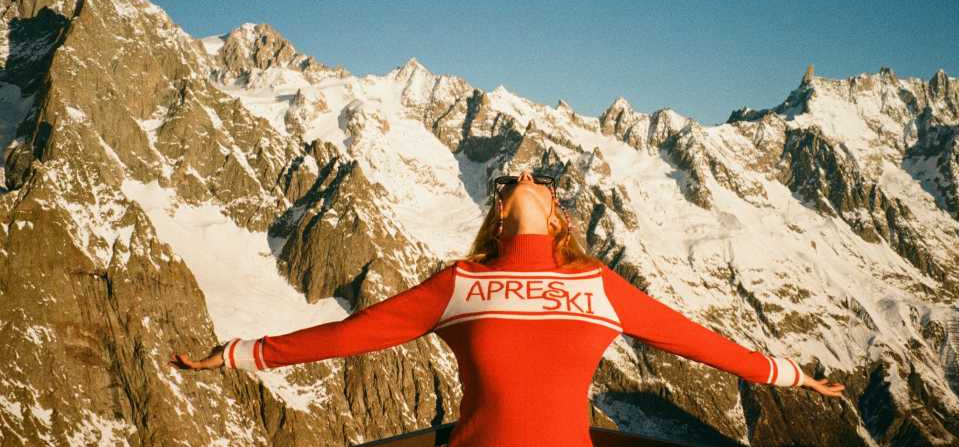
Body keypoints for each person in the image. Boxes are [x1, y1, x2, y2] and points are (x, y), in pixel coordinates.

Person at [170, 170, 845, 445]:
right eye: (511, 178)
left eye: (540, 178)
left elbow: (698, 341)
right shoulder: (458, 281)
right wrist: (237, 353)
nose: (524, 179)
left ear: (557, 212)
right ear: (500, 209)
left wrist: (791, 375)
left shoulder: (600, 284)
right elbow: (352, 335)